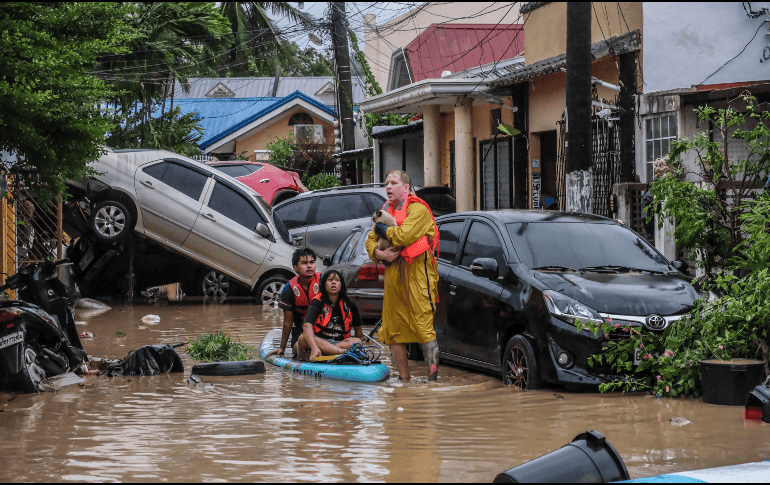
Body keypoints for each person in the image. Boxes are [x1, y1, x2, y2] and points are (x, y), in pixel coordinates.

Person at [365, 170, 440, 382]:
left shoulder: (418, 210)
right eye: (386, 183)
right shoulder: (386, 210)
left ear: (406, 187)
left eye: (394, 183)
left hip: (418, 279)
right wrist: (380, 253)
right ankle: (404, 380)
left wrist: (381, 229)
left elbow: (403, 236)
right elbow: (369, 241)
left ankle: (432, 383)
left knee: (425, 330)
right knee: (393, 331)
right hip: (393, 280)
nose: (388, 186)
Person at [298, 269, 364, 361]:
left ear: (341, 285)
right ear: (324, 284)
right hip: (319, 342)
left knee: (357, 342)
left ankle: (329, 351)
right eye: (330, 280)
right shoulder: (317, 302)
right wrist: (314, 347)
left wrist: (358, 344)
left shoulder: (350, 304)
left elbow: (359, 332)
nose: (334, 283)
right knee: (302, 339)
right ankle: (340, 352)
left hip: (340, 343)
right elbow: (307, 326)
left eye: (337, 280)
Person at [272, 247, 321, 358]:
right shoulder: (288, 290)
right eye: (304, 263)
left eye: (312, 262)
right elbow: (287, 322)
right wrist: (282, 348)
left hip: (323, 329)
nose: (309, 266)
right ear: (295, 267)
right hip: (301, 332)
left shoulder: (324, 282)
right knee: (297, 348)